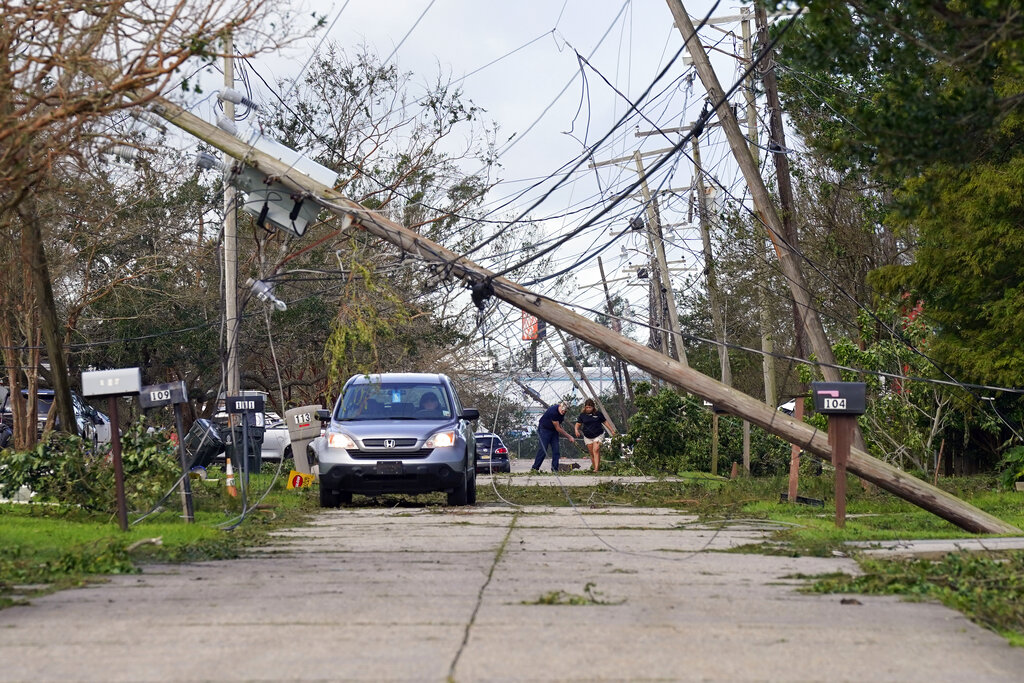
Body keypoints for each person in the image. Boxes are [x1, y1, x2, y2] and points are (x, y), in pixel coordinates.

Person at [531, 402, 575, 472]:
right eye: (562, 410)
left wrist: (566, 433)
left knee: (556, 450)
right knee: (543, 449)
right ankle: (535, 468)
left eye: (565, 411)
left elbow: (559, 425)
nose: (563, 412)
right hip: (544, 429)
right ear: (560, 406)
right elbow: (558, 428)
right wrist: (569, 436)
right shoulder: (553, 412)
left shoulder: (562, 413)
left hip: (554, 430)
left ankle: (555, 469)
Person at [574, 398, 615, 472]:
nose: (588, 409)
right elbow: (578, 424)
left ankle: (596, 469)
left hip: (598, 435)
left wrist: (612, 430)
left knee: (595, 450)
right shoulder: (582, 415)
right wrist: (576, 430)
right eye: (587, 407)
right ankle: (594, 467)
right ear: (585, 407)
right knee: (591, 452)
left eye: (590, 407)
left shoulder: (598, 414)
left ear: (593, 407)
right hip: (588, 436)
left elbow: (605, 422)